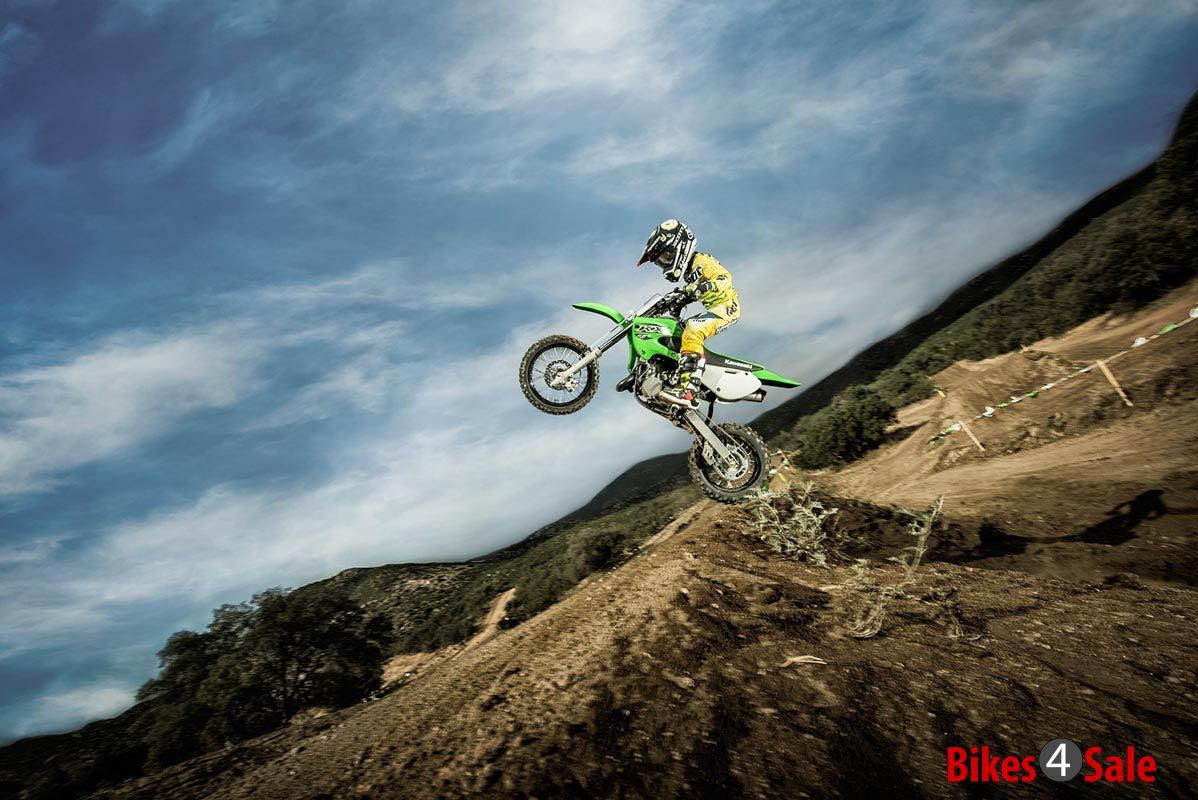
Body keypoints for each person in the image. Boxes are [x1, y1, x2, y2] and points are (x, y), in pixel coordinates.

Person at [635, 219, 740, 407]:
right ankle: (673, 375)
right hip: (715, 307)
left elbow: (725, 278)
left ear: (678, 247)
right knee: (675, 331)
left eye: (665, 257)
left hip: (726, 307)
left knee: (693, 330)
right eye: (660, 262)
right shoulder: (690, 270)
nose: (664, 263)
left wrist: (699, 288)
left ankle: (689, 390)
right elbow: (689, 291)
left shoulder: (701, 261)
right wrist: (677, 300)